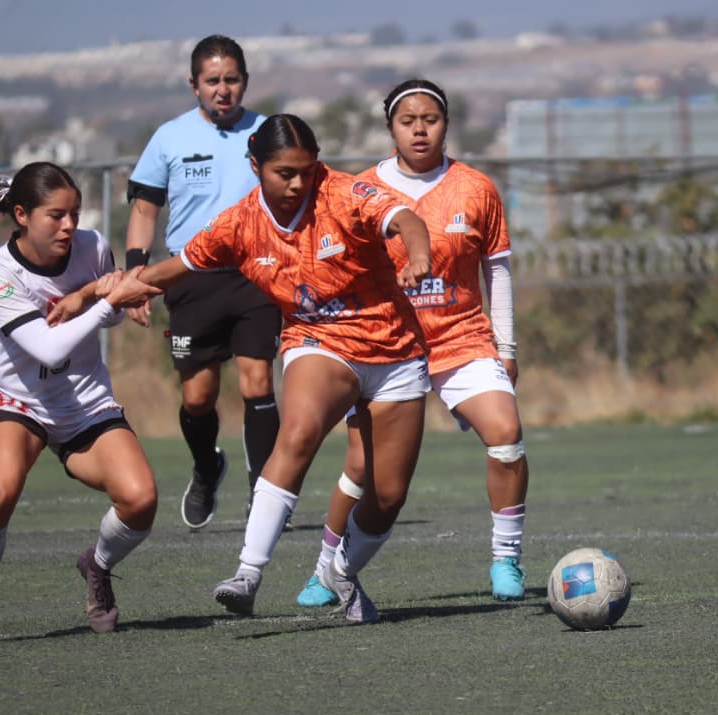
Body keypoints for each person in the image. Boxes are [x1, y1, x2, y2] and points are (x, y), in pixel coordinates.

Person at [127, 114, 433, 624]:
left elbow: (406, 219)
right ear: (256, 167)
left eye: (306, 170)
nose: (297, 183)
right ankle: (247, 573)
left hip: (395, 351)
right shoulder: (238, 222)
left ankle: (341, 573)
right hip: (319, 341)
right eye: (284, 172)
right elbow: (177, 268)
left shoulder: (343, 194)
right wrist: (119, 287)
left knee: (387, 496)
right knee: (299, 431)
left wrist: (417, 255)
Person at [294, 78, 529, 608]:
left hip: (462, 339)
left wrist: (507, 349)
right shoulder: (361, 190)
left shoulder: (477, 188)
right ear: (390, 128)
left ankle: (506, 559)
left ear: (446, 124)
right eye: (408, 121)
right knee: (361, 467)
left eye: (431, 119)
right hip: (388, 347)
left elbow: (499, 272)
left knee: (507, 434)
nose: (420, 129)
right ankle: (323, 571)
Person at [0, 162, 158, 648]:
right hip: (18, 400)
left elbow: (113, 319)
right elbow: (49, 347)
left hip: (84, 402)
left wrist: (96, 293)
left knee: (141, 500)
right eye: (56, 215)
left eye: (75, 214)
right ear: (21, 214)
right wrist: (100, 299)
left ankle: (96, 565)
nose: (69, 226)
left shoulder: (94, 246)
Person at [126, 34, 281, 530]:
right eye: (212, 81)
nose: (222, 89)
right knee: (197, 397)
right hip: (190, 278)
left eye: (231, 80)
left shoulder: (269, 133)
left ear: (245, 83)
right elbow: (145, 210)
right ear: (193, 85)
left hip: (256, 276)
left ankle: (264, 491)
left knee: (258, 382)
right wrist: (137, 274)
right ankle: (207, 466)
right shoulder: (169, 138)